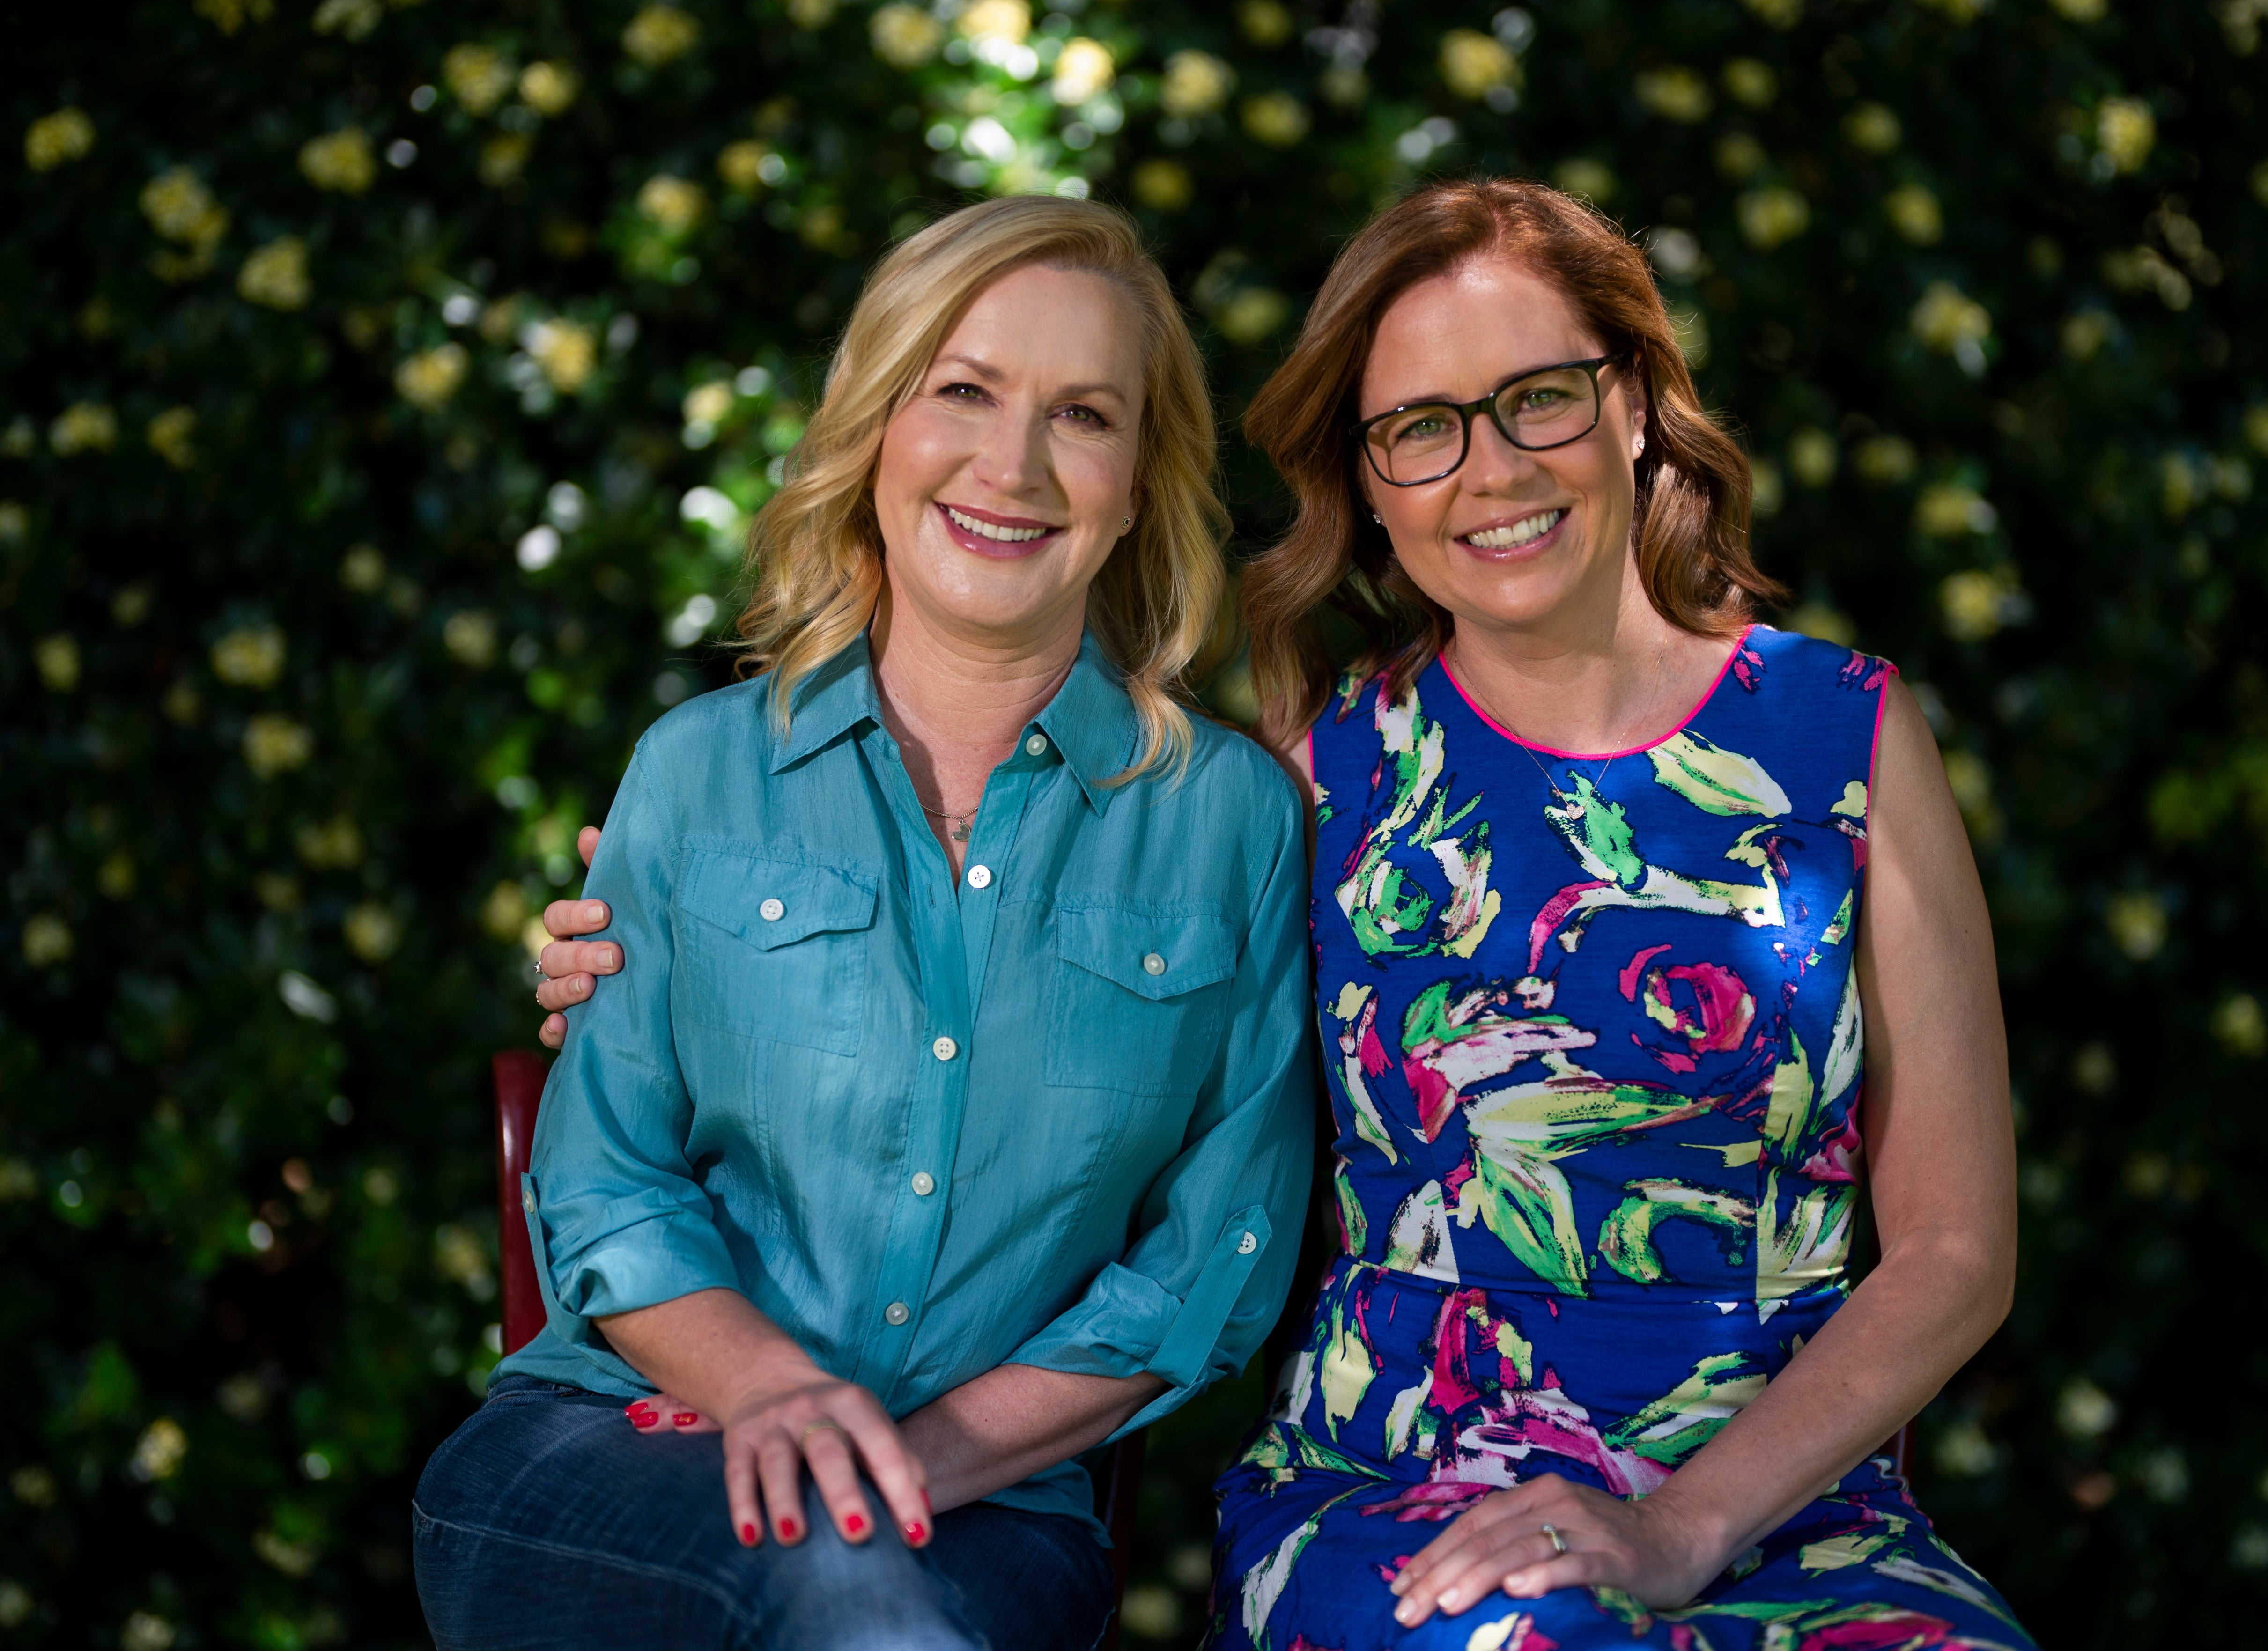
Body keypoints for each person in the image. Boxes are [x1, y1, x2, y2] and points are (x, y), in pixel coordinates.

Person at [538, 178, 2029, 1651]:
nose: (1492, 470)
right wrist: (652, 934)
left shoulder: (1847, 740)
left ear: (1635, 400)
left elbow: (1955, 1247)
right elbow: (984, 969)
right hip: (1412, 1481)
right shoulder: (1320, 785)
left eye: (1542, 399)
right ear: (1371, 482)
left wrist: (1687, 1521)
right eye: (1423, 429)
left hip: (1790, 1507)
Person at [412, 195, 1315, 1651]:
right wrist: (771, 1389)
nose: (1011, 464)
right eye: (963, 390)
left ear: (1141, 480)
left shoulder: (1230, 824)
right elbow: (607, 1174)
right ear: (879, 425)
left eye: (1083, 414)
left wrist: (920, 1458)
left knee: (869, 1608)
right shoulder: (697, 771)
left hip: (989, 1515)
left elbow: (1220, 1249)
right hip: (617, 1446)